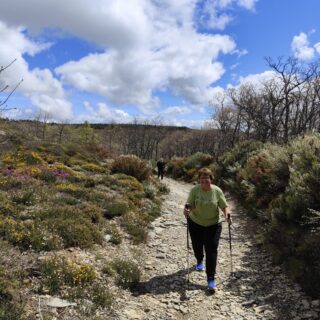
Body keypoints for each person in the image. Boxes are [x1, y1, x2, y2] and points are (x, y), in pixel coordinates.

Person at [183, 167, 232, 291]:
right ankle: (199, 260)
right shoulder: (195, 190)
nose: (204, 183)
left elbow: (224, 206)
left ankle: (211, 278)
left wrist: (227, 215)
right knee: (197, 244)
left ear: (211, 179)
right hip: (196, 222)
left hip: (213, 224)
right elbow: (190, 205)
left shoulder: (217, 191)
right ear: (199, 180)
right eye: (202, 180)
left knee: (211, 249)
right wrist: (187, 210)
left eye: (207, 180)